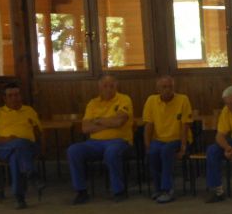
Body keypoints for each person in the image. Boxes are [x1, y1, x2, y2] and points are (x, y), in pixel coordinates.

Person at [68, 75, 134, 204]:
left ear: (116, 86)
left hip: (119, 140)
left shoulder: (124, 99)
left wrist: (97, 121)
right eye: (105, 86)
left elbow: (119, 122)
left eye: (111, 86)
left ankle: (118, 191)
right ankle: (81, 191)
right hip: (94, 143)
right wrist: (110, 121)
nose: (108, 89)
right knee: (73, 150)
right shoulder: (93, 103)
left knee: (112, 152)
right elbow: (85, 128)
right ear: (99, 87)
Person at [0, 81, 43, 210]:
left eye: (16, 95)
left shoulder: (29, 110)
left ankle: (20, 197)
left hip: (27, 147)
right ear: (4, 98)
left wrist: (34, 136)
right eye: (10, 96)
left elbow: (38, 133)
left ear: (21, 96)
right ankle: (31, 174)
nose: (14, 98)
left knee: (17, 154)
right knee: (17, 146)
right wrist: (6, 139)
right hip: (4, 147)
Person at [142, 75, 192, 204]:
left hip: (177, 139)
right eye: (164, 87)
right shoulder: (151, 100)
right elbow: (148, 125)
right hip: (158, 139)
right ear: (158, 89)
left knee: (166, 151)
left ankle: (167, 189)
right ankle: (157, 188)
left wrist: (183, 147)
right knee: (153, 152)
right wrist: (147, 145)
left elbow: (185, 125)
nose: (167, 89)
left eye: (170, 87)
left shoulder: (183, 99)